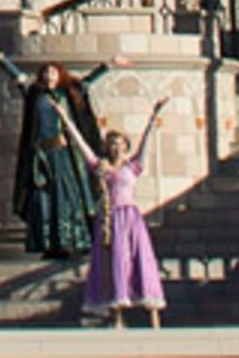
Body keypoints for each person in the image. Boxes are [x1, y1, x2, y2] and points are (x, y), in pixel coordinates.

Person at [0, 55, 108, 260]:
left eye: (54, 72)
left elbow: (87, 82)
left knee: (67, 198)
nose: (49, 75)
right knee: (43, 199)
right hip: (42, 156)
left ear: (59, 75)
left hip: (64, 155)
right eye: (46, 72)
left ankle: (70, 242)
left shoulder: (67, 94)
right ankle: (48, 244)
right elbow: (18, 76)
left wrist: (108, 65)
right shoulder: (35, 95)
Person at [80, 99, 177, 329]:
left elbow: (145, 143)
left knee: (140, 260)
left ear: (125, 145)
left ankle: (153, 315)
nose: (116, 147)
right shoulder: (101, 166)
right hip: (109, 220)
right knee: (115, 263)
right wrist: (65, 119)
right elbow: (82, 145)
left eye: (120, 143)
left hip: (130, 218)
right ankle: (117, 316)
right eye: (112, 143)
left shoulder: (132, 167)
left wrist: (153, 117)